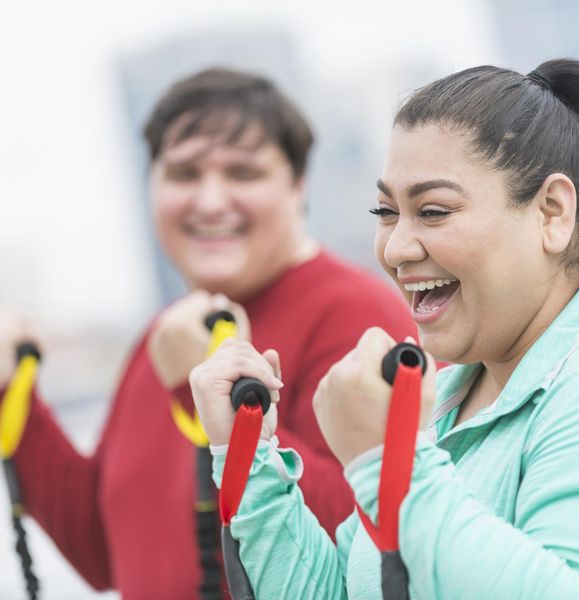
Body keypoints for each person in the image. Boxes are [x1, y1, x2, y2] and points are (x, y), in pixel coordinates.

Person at [190, 58, 579, 599]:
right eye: (385, 212)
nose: (396, 248)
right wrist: (249, 458)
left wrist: (387, 462)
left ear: (551, 212)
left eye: (432, 211)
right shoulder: (449, 394)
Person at [0, 69, 417, 599]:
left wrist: (203, 400)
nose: (211, 200)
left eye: (242, 173)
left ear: (297, 186)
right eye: (184, 173)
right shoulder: (167, 332)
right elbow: (102, 551)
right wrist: (13, 395)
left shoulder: (355, 314)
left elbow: (376, 535)